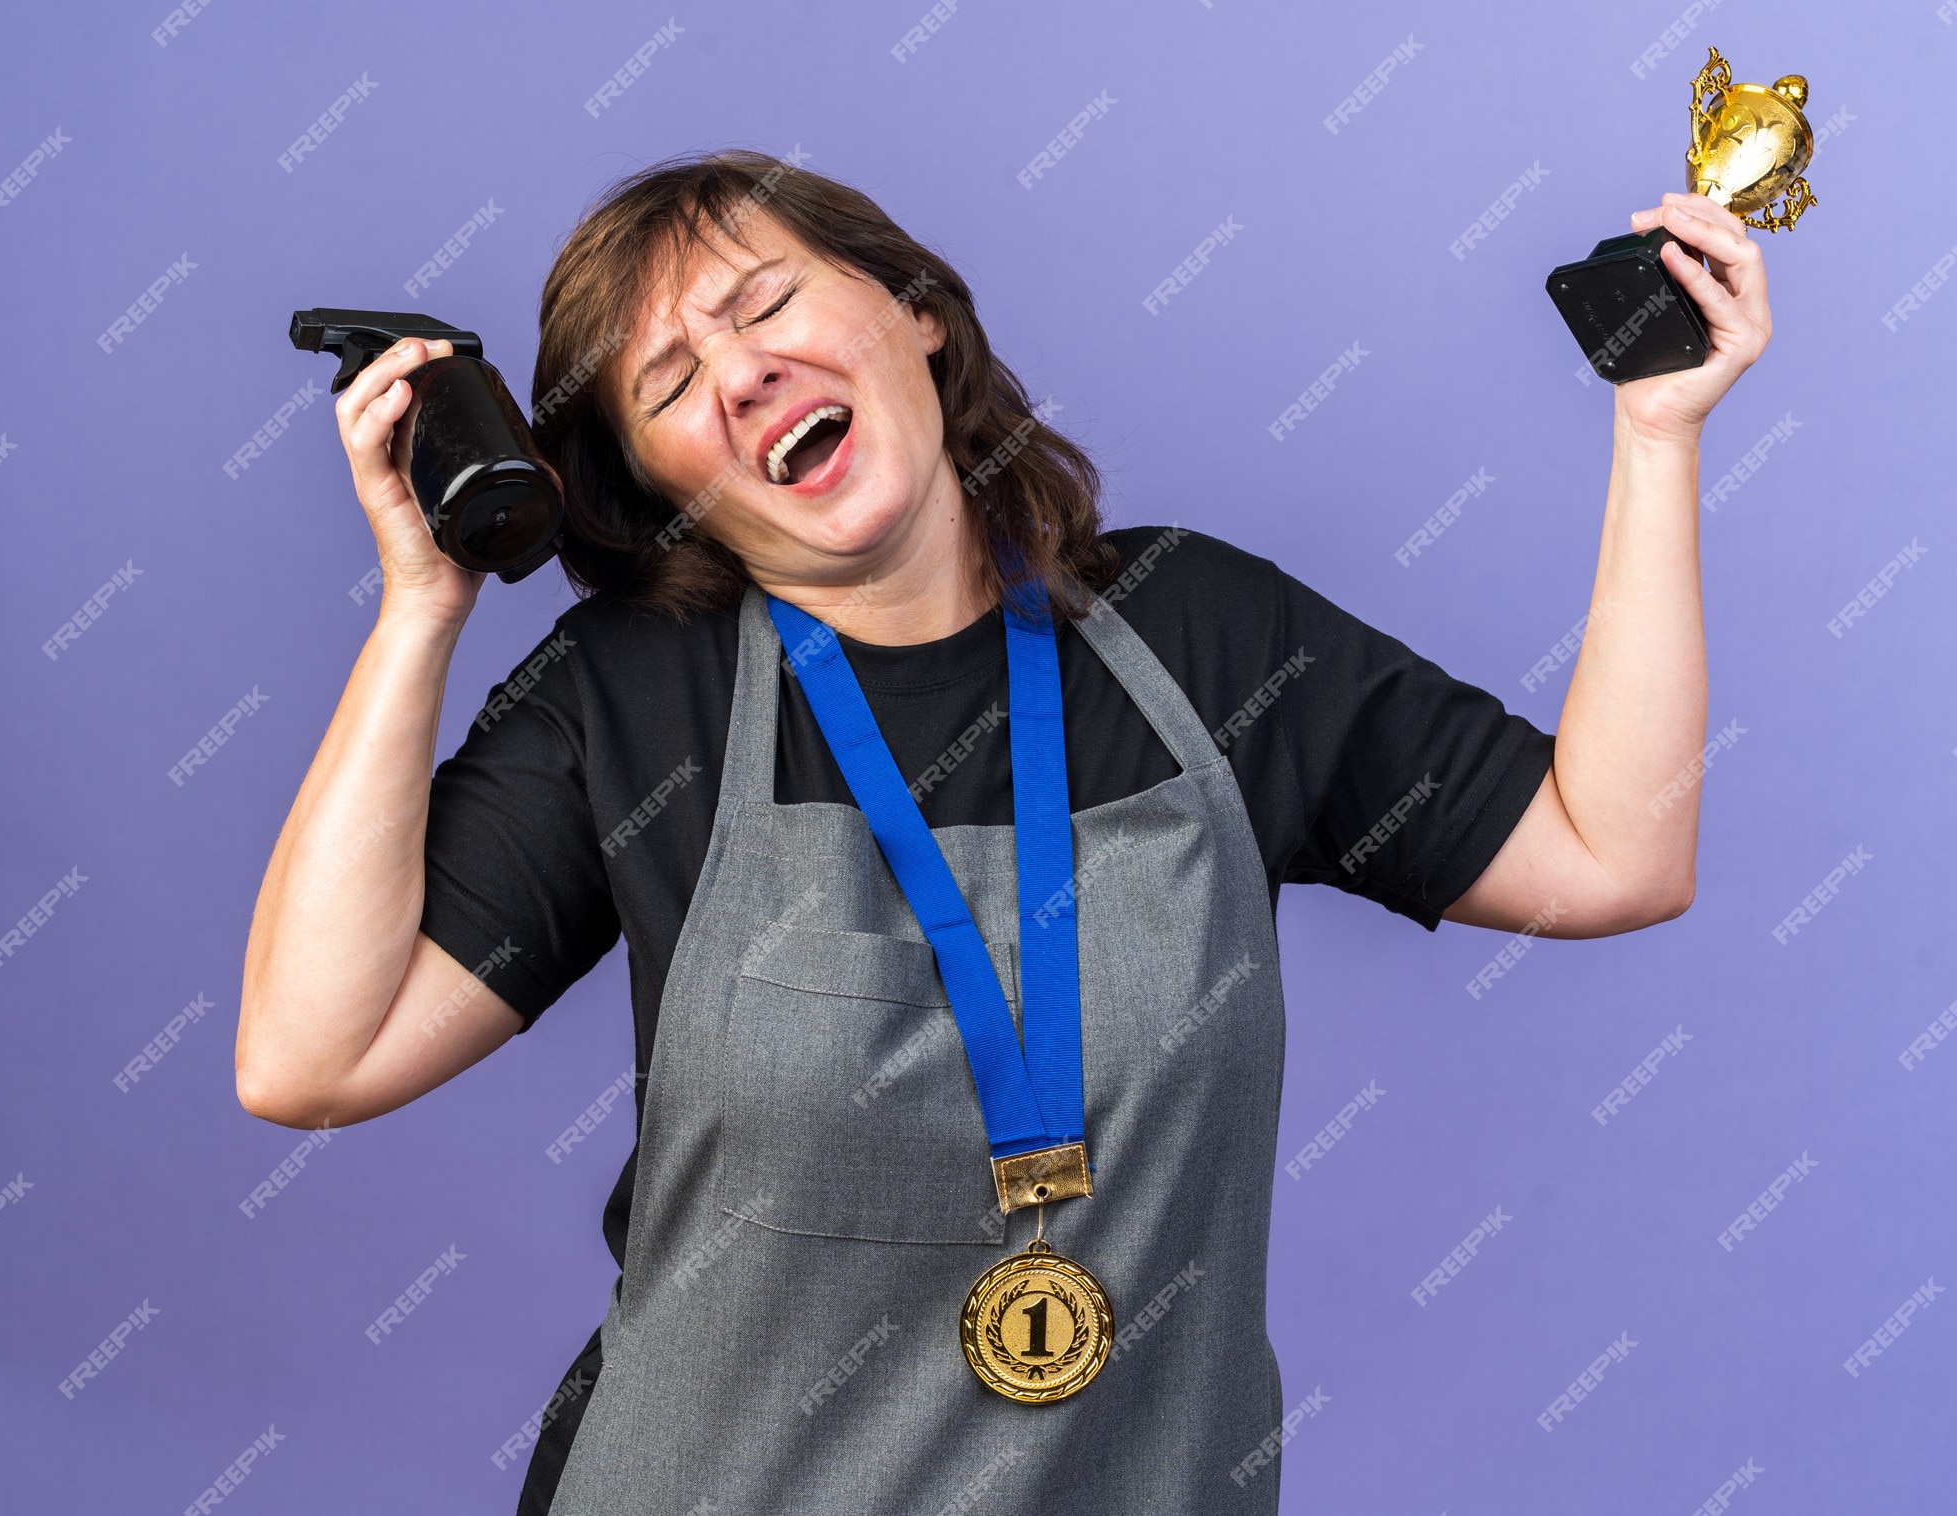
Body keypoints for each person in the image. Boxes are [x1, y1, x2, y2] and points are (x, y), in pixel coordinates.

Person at [235, 150, 1771, 1513]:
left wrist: (1657, 440)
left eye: (767, 304)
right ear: (658, 490)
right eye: (668, 385)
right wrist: (421, 609)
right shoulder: (636, 705)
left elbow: (1610, 853)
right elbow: (314, 1055)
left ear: (918, 311)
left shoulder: (1202, 636)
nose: (744, 374)